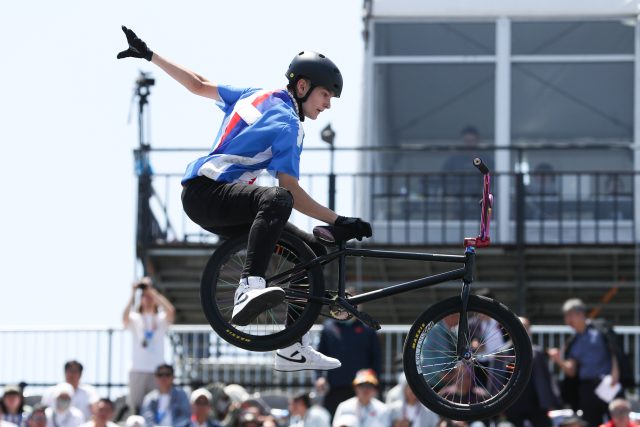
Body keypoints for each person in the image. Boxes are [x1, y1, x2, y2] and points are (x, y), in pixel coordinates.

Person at [117, 26, 372, 372]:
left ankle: (291, 346)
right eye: (325, 95)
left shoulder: (257, 94)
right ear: (303, 87)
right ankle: (248, 287)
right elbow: (291, 192)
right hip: (209, 192)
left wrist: (150, 55)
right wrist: (338, 220)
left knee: (310, 254)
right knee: (278, 199)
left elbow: (197, 84)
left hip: (209, 199)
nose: (328, 104)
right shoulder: (289, 125)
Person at [548, 299, 620, 427]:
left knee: (615, 421)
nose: (567, 320)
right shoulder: (573, 341)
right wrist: (558, 359)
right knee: (589, 423)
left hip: (608, 385)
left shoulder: (600, 330)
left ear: (580, 314)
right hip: (587, 389)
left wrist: (616, 373)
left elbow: (615, 350)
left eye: (569, 315)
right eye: (566, 316)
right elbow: (571, 371)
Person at [316, 292, 382, 417]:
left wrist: (376, 383)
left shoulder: (367, 328)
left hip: (362, 387)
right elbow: (319, 354)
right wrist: (319, 377)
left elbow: (376, 358)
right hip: (334, 386)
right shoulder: (328, 328)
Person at [123, 277, 176, 415]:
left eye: (150, 296)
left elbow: (171, 311)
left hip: (157, 371)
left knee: (155, 407)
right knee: (136, 408)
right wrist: (133, 292)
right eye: (144, 296)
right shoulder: (135, 318)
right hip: (137, 369)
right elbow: (124, 318)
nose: (148, 298)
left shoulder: (160, 318)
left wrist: (152, 290)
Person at [505, 317, 562, 427]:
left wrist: (550, 400)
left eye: (526, 328)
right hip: (512, 404)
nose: (523, 331)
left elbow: (546, 378)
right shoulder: (503, 353)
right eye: (519, 328)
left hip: (535, 403)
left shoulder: (537, 352)